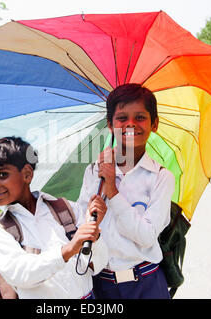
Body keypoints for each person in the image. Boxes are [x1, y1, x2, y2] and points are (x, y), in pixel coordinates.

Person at [76, 83, 175, 299]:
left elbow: (147, 236)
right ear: (110, 125)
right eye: (122, 118)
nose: (130, 124)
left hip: (146, 283)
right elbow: (80, 227)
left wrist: (112, 190)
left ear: (154, 124)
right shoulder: (94, 172)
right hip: (101, 284)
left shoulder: (161, 178)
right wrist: (91, 220)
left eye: (140, 117)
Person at [0, 136, 109, 299]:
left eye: (2, 174)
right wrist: (69, 249)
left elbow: (97, 264)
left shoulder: (66, 209)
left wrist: (93, 235)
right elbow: (21, 274)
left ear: (27, 174)